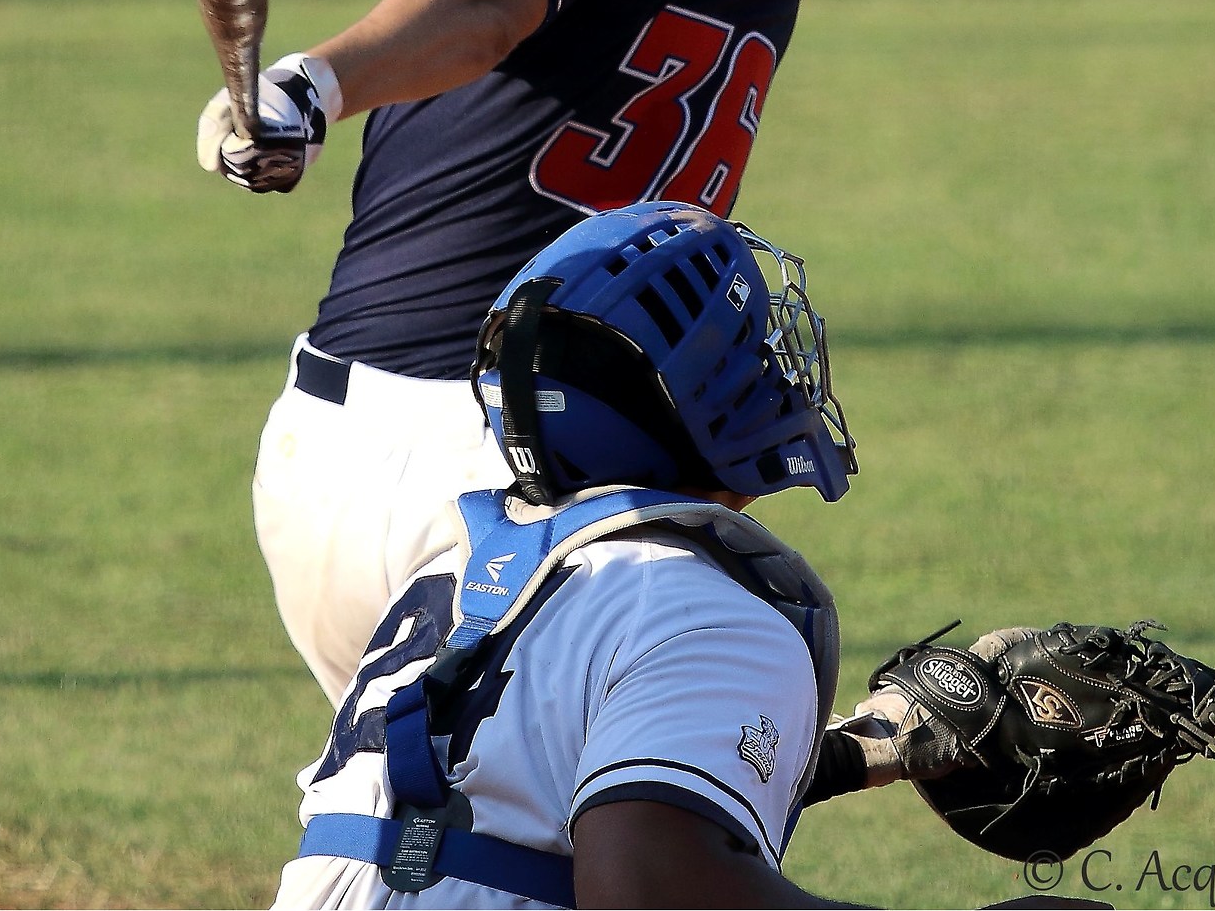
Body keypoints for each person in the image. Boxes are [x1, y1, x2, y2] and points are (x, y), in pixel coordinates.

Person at [199, 0, 863, 702]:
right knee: (547, 802)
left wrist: (313, 83)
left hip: (362, 447)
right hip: (520, 458)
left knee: (399, 796)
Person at [272, 201, 889, 909]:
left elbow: (525, 792)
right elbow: (648, 891)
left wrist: (868, 748)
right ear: (701, 400)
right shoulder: (706, 614)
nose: (774, 370)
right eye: (747, 351)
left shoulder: (462, 573)